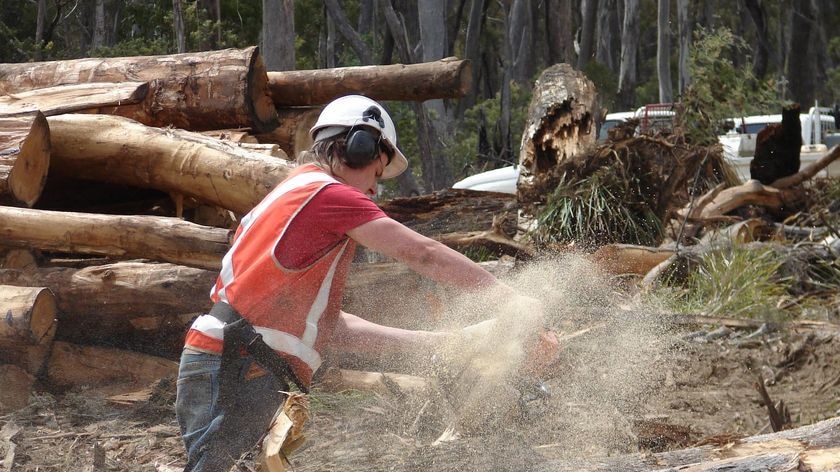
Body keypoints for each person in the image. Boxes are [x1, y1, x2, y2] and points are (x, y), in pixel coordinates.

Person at [175, 95, 552, 471]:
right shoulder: (326, 195)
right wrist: (510, 300)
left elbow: (333, 328)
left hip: (238, 362)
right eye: (376, 172)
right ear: (357, 147)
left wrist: (446, 342)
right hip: (239, 367)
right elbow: (423, 253)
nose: (374, 189)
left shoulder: (294, 197)